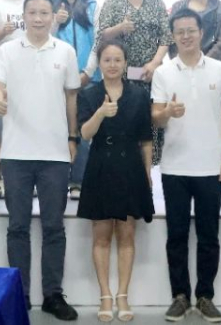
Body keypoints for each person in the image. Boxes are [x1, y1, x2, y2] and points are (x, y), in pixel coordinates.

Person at [0, 0, 80, 320]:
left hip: (55, 153)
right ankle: (20, 295)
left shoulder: (66, 51)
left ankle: (53, 295)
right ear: (23, 16)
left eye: (44, 13)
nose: (38, 18)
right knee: (18, 227)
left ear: (53, 17)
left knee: (54, 226)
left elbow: (71, 98)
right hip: (16, 153)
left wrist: (73, 137)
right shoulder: (8, 51)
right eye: (32, 12)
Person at [151, 8, 221, 323]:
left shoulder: (220, 70)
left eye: (191, 30)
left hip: (211, 166)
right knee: (176, 235)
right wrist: (167, 113)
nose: (186, 36)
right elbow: (156, 117)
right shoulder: (163, 73)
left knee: (208, 235)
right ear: (173, 36)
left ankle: (205, 296)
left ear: (202, 33)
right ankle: (179, 296)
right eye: (180, 32)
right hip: (174, 167)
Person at [78, 39, 155, 323]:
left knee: (126, 234)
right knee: (101, 236)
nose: (112, 65)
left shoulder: (138, 94)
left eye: (117, 60)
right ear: (99, 63)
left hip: (130, 166)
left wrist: (147, 173)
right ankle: (105, 295)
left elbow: (146, 139)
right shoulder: (89, 94)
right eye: (107, 60)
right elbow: (85, 134)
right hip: (100, 164)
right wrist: (100, 112)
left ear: (125, 63)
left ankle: (123, 295)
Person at [96, 0, 172, 166]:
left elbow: (166, 38)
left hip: (150, 75)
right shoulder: (112, 2)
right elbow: (102, 35)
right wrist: (120, 28)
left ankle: (148, 173)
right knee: (121, 122)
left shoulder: (157, 4)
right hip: (120, 76)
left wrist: (155, 63)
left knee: (149, 123)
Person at [52, 0, 101, 201]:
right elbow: (42, 39)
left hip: (88, 79)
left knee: (82, 130)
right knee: (59, 128)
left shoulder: (93, 6)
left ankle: (78, 180)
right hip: (56, 80)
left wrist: (87, 72)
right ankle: (57, 178)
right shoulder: (50, 7)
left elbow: (99, 41)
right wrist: (55, 22)